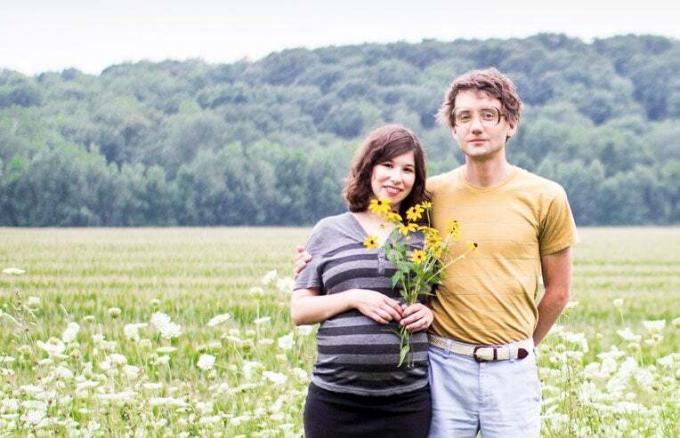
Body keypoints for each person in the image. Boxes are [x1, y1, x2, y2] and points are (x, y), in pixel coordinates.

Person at [295, 68, 577, 437]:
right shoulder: (428, 196)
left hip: (512, 370)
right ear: (454, 130)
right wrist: (309, 263)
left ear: (510, 124)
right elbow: (376, 236)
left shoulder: (546, 196)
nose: (476, 126)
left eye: (488, 115)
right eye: (464, 117)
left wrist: (520, 349)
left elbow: (558, 291)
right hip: (443, 367)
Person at [291, 124, 435, 438]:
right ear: (368, 168)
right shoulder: (328, 231)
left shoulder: (424, 238)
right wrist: (353, 297)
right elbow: (300, 311)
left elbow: (436, 302)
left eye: (407, 169)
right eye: (388, 165)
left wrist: (429, 313)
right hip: (335, 401)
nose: (397, 177)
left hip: (406, 402)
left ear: (417, 179)